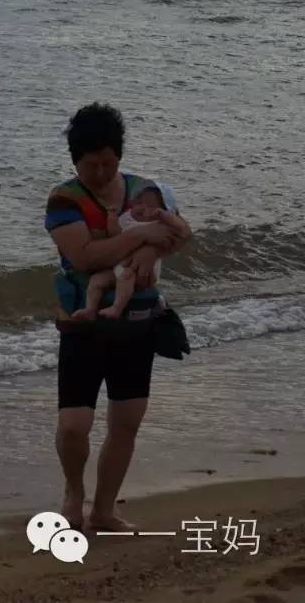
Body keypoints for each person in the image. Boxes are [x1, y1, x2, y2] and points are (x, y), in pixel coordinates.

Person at [44, 103, 191, 532]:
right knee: (75, 425)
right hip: (83, 321)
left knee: (126, 420)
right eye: (93, 165)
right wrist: (143, 235)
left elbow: (180, 233)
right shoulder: (64, 199)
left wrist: (149, 248)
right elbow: (85, 255)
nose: (104, 173)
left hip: (138, 320)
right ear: (76, 161)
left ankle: (103, 510)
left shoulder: (146, 191)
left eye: (110, 163)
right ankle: (74, 492)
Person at [70, 185, 185, 321]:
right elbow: (116, 234)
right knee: (97, 280)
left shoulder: (159, 224)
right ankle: (90, 309)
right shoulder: (127, 218)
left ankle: (117, 308)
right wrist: (112, 218)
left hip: (143, 271)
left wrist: (164, 216)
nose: (142, 208)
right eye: (139, 203)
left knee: (126, 275)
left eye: (150, 206)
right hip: (118, 268)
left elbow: (178, 232)